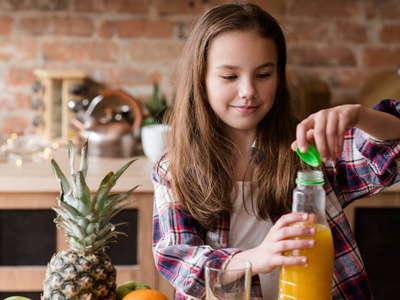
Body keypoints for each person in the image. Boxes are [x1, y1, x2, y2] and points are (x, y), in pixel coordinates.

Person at [151, 3, 400, 299]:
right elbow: (177, 259)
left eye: (263, 75)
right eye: (230, 76)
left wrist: (359, 115)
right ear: (201, 80)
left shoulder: (308, 152)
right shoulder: (175, 168)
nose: (248, 91)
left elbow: (387, 154)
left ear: (279, 77)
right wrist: (258, 257)